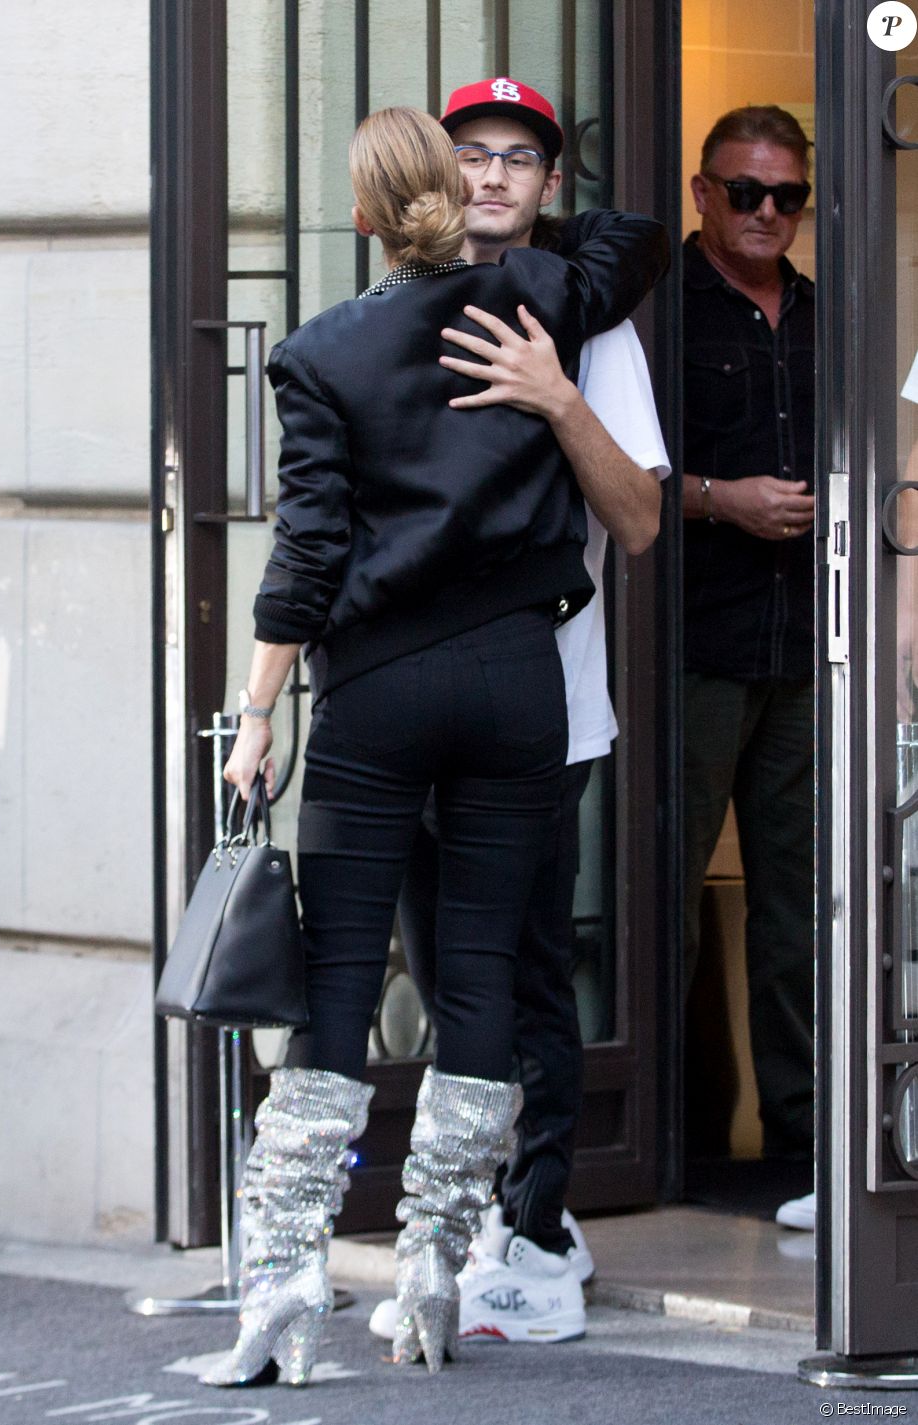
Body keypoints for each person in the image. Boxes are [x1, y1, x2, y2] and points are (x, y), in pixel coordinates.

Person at [202, 105, 668, 1389]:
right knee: (477, 980)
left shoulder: (321, 354)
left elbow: (304, 559)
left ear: (358, 218)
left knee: (340, 982)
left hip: (382, 693)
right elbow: (630, 241)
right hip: (517, 683)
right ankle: (432, 1274)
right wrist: (523, 230)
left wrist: (253, 719)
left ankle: (284, 1290)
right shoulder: (533, 300)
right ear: (451, 201)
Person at [366, 77, 670, 1347]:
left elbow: (642, 520)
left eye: (518, 158)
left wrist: (555, 398)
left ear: (549, 187)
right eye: (469, 153)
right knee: (444, 976)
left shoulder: (589, 328)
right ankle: (490, 1205)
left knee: (528, 974)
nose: (491, 174)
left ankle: (539, 1237)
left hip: (546, 711)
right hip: (405, 711)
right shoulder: (385, 320)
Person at [680, 106, 816, 1229]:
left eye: (786, 197)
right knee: (663, 899)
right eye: (744, 193)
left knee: (800, 905)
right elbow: (614, 464)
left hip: (812, 646)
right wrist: (718, 501)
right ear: (700, 194)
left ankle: (806, 1149)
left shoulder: (829, 313)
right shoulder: (652, 308)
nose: (765, 214)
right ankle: (668, 1141)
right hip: (691, 643)